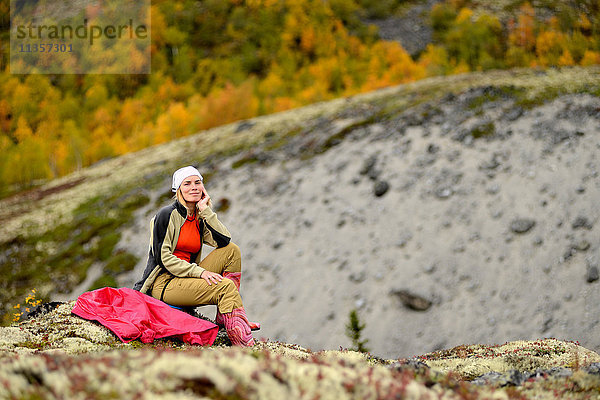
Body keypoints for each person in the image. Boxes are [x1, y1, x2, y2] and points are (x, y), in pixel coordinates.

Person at [133, 166, 258, 346]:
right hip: (165, 283)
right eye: (187, 183)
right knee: (225, 287)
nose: (194, 187)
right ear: (178, 189)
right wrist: (200, 273)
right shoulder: (166, 215)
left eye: (197, 183)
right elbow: (163, 257)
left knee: (232, 251)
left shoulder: (198, 216)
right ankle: (245, 346)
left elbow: (223, 240)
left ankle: (228, 317)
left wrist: (205, 210)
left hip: (188, 276)